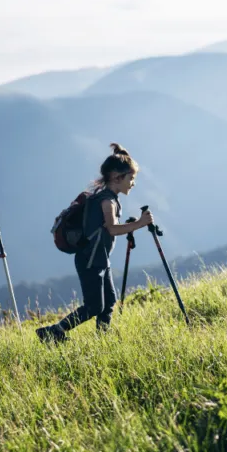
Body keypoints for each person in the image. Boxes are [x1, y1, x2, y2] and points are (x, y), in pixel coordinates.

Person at [36, 143, 153, 343]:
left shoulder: (107, 197)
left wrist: (130, 226)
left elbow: (107, 227)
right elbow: (112, 229)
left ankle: (102, 341)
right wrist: (140, 224)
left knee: (108, 303)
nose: (133, 183)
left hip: (97, 258)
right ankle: (54, 331)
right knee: (94, 306)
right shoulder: (107, 201)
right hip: (91, 260)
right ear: (117, 177)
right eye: (131, 178)